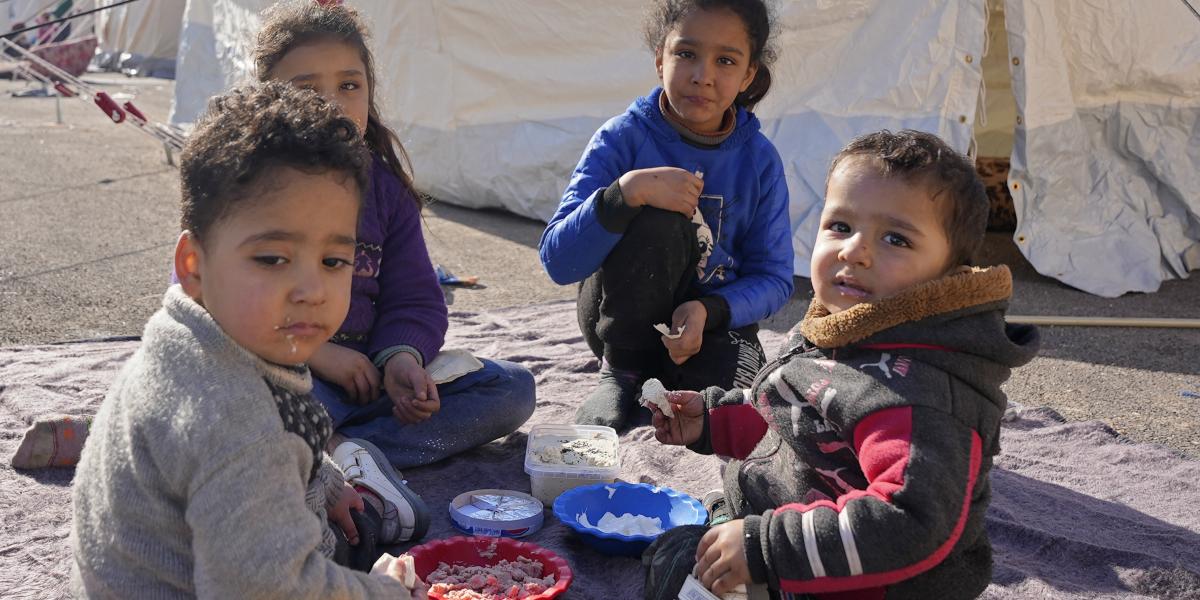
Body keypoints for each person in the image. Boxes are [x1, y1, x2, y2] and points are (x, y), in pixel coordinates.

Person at [643, 130, 1040, 600]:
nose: (854, 251)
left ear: (948, 275)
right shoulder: (845, 325)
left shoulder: (920, 396)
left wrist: (765, 548)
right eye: (840, 227)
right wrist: (712, 421)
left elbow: (909, 522)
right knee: (685, 541)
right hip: (798, 527)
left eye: (895, 238)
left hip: (864, 579)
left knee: (677, 567)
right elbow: (798, 421)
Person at [71, 81, 426, 599]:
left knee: (377, 527)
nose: (310, 291)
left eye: (334, 261)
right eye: (272, 258)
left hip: (180, 559)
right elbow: (263, 589)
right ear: (193, 265)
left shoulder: (194, 333)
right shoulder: (236, 421)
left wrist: (324, 481)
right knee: (397, 553)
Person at [252, 1, 536, 475]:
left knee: (512, 390)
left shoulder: (384, 189)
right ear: (266, 98)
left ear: (370, 91)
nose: (332, 104)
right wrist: (317, 353)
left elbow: (416, 299)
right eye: (306, 89)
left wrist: (402, 360)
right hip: (287, 373)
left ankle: (341, 451)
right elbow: (217, 305)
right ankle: (320, 447)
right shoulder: (248, 188)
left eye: (349, 85)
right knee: (248, 394)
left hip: (367, 387)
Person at [539, 0, 795, 431]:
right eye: (686, 54)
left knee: (725, 414)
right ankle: (622, 376)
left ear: (748, 74)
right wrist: (625, 194)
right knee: (659, 219)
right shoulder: (622, 137)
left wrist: (708, 311)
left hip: (709, 325)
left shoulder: (760, 160)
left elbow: (774, 279)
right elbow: (559, 262)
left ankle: (665, 376)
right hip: (619, 321)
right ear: (661, 59)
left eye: (726, 60)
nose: (703, 75)